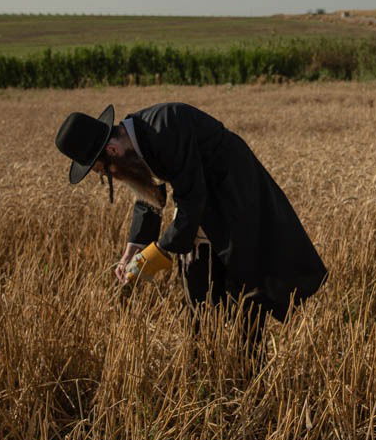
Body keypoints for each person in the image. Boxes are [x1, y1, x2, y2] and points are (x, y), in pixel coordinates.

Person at [55, 101, 327, 355]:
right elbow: (149, 195)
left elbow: (192, 202)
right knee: (200, 302)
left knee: (243, 301)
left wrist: (153, 257)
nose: (110, 176)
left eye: (104, 171)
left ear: (112, 150)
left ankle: (246, 373)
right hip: (203, 212)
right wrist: (133, 249)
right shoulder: (135, 139)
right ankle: (209, 368)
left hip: (237, 207)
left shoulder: (166, 128)